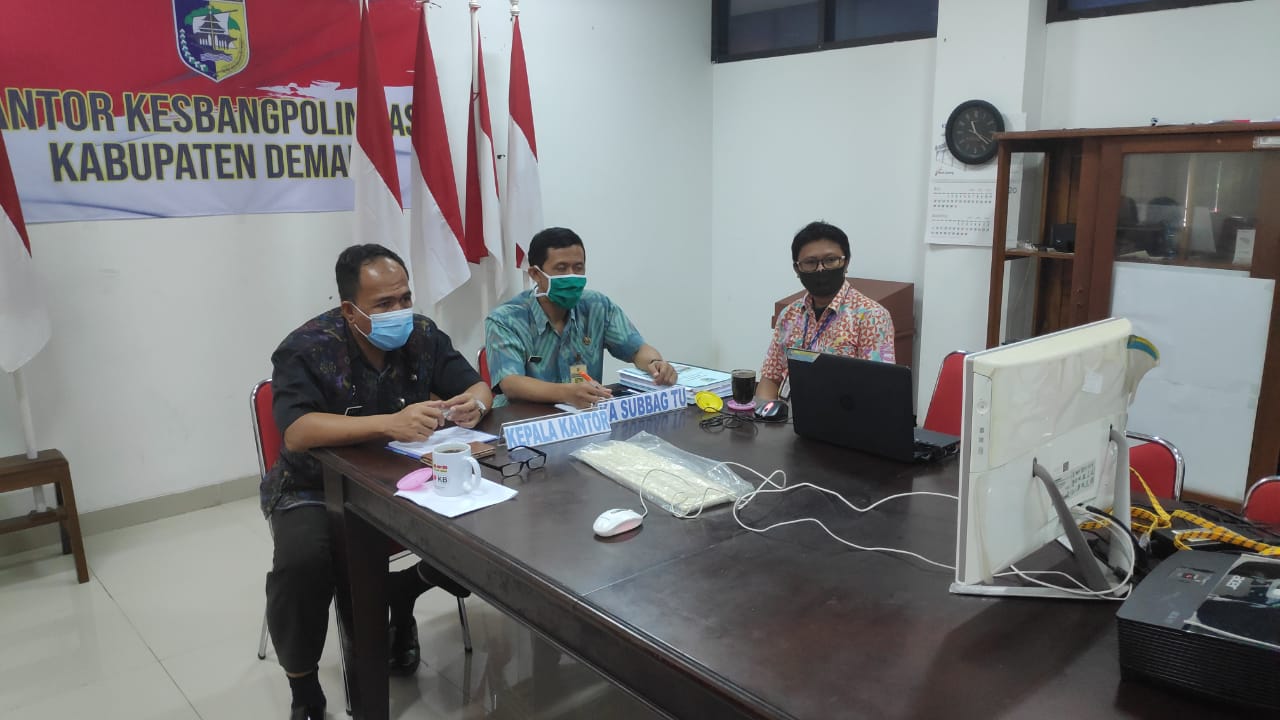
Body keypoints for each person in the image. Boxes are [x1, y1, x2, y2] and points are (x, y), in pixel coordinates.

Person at [262, 244, 493, 720]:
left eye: (405, 298)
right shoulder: (307, 348)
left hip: (404, 477)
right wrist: (390, 423)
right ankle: (304, 686)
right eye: (384, 304)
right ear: (350, 310)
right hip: (313, 488)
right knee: (303, 564)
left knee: (486, 529)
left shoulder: (422, 335)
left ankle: (401, 592)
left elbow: (475, 386)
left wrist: (475, 404)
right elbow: (298, 430)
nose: (399, 312)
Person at [485, 227, 678, 407]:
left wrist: (655, 364)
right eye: (561, 268)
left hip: (584, 416)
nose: (572, 276)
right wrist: (566, 393)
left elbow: (637, 349)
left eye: (578, 267)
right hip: (524, 420)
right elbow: (511, 383)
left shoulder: (597, 306)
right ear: (536, 274)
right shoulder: (506, 319)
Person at [757, 221, 895, 400]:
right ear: (797, 269)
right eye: (810, 262)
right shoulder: (789, 315)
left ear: (846, 263)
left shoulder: (871, 316)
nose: (821, 269)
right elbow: (770, 378)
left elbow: (878, 389)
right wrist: (764, 412)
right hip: (787, 413)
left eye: (830, 260)